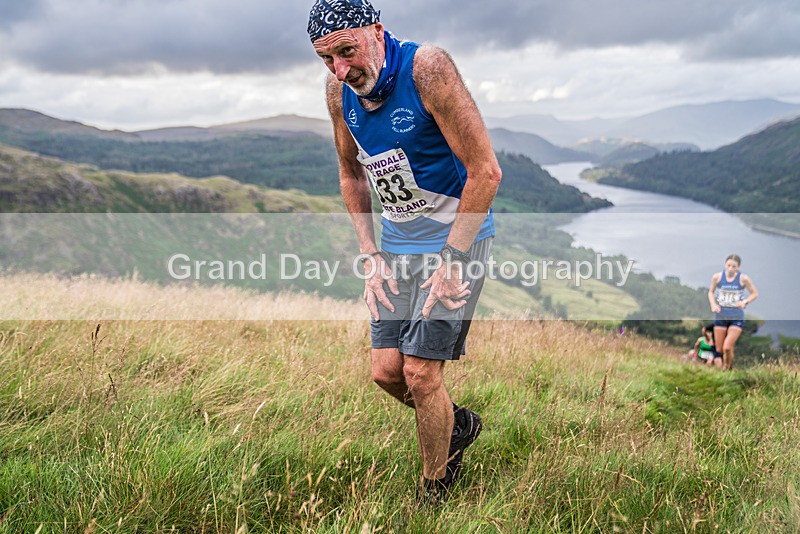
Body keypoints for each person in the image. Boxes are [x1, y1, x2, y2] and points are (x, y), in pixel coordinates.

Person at [308, 0, 502, 503]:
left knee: (420, 371)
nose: (341, 70)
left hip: (458, 244)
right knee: (387, 372)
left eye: (348, 52)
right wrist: (370, 256)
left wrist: (452, 261)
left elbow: (486, 172)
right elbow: (351, 172)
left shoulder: (427, 70)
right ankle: (455, 424)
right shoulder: (338, 90)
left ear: (377, 30)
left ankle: (435, 486)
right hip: (395, 250)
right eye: (327, 59)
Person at [708, 254, 759, 370]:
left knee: (727, 347)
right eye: (729, 265)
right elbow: (710, 292)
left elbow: (755, 293)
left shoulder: (743, 279)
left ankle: (726, 369)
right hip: (721, 316)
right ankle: (730, 367)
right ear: (725, 265)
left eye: (734, 266)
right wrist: (713, 305)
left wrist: (745, 302)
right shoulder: (717, 277)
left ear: (738, 267)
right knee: (720, 349)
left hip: (736, 317)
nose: (731, 268)